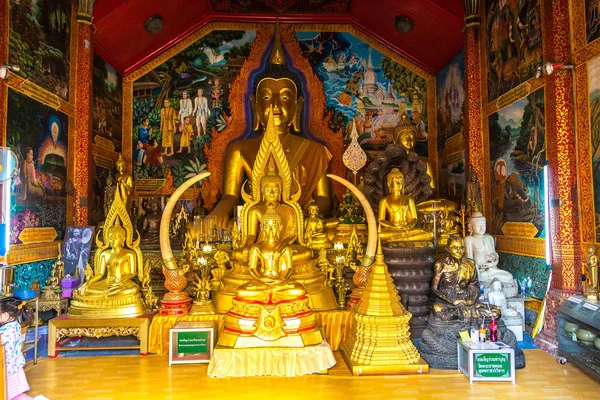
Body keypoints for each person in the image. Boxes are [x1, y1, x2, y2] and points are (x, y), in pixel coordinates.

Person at [0, 297, 33, 400]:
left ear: (5, 315)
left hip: (7, 370)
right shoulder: (15, 326)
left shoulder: (4, 332)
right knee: (16, 396)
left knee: (11, 396)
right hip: (15, 367)